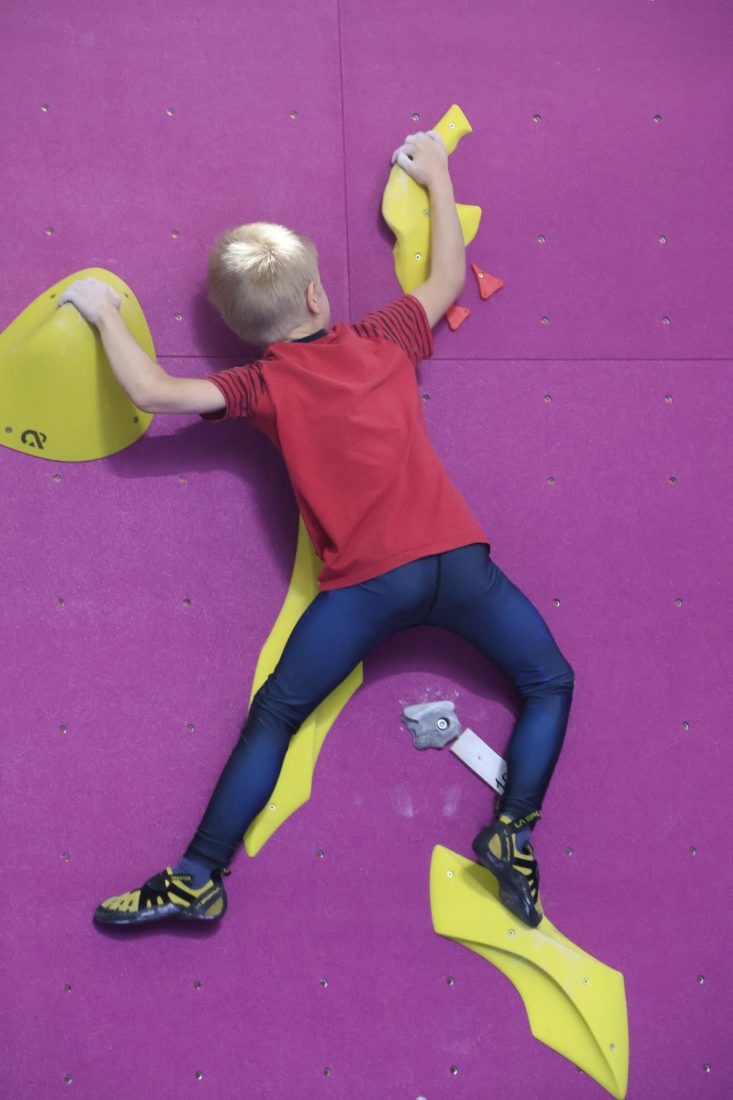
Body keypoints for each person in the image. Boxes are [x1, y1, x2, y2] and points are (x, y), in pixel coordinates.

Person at [64, 131, 574, 930]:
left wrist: (101, 312)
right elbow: (447, 275)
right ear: (313, 296)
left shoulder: (260, 383)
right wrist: (436, 175)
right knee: (548, 683)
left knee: (275, 716)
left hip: (368, 588)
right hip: (457, 563)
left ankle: (198, 876)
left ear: (243, 329)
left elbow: (154, 393)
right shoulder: (384, 338)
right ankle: (512, 831)